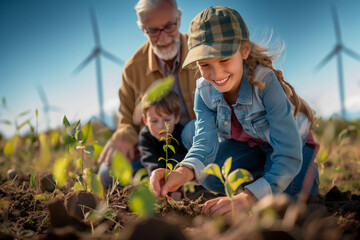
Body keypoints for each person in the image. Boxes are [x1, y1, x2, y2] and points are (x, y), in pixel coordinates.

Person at [150, 6, 319, 217]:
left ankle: (268, 183)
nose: (216, 73)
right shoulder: (203, 90)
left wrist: (249, 199)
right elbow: (204, 141)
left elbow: (287, 152)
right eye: (204, 64)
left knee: (291, 202)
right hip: (252, 147)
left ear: (244, 51)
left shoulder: (265, 82)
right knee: (212, 176)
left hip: (293, 149)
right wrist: (181, 173)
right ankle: (261, 181)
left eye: (224, 59)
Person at [97, 0, 199, 190]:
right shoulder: (133, 69)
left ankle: (193, 180)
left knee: (192, 130)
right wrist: (124, 135)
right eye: (153, 31)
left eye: (169, 26)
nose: (163, 38)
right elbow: (127, 119)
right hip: (157, 150)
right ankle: (158, 187)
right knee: (107, 174)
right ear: (143, 30)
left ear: (179, 18)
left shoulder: (201, 52)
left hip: (198, 142)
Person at [139, 91, 188, 176]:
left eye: (167, 120)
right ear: (145, 120)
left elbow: (179, 159)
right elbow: (150, 161)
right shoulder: (145, 136)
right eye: (154, 121)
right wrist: (159, 177)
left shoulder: (182, 133)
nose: (161, 126)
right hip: (152, 171)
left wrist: (172, 178)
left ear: (176, 118)